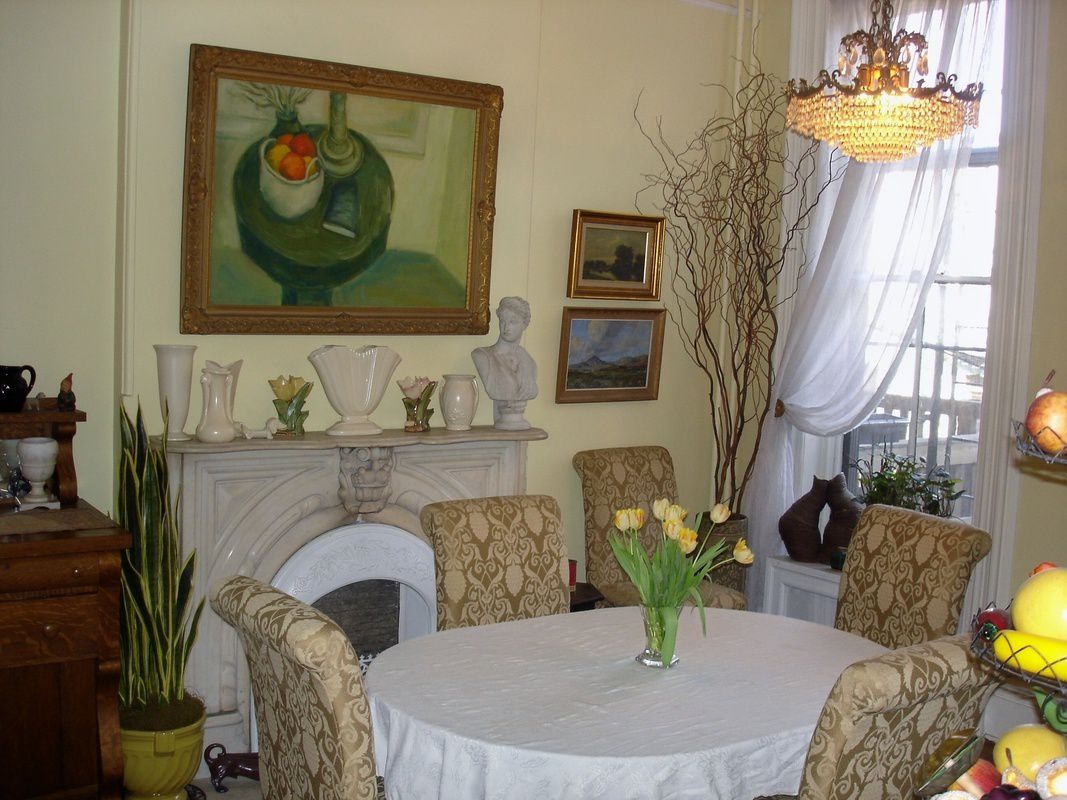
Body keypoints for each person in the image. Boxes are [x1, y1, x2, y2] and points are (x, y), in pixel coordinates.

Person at [472, 297, 537, 430]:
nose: (506, 327)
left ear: (525, 324)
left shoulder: (529, 362)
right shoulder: (483, 356)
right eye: (503, 321)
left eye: (513, 322)